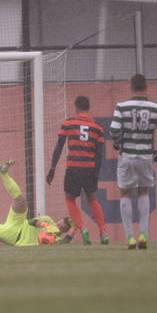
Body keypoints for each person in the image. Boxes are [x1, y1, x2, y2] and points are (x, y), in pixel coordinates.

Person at [109, 74, 157, 250]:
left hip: (127, 156)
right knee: (143, 192)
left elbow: (114, 129)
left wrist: (116, 142)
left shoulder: (122, 106)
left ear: (131, 88)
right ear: (146, 87)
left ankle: (130, 237)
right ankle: (143, 234)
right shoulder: (156, 108)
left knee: (125, 194)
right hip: (146, 157)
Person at [46, 95, 108, 245]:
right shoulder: (98, 128)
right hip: (89, 169)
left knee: (70, 198)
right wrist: (96, 174)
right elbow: (99, 155)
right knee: (92, 199)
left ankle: (82, 228)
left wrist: (52, 168)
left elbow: (59, 147)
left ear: (76, 108)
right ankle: (103, 232)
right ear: (89, 108)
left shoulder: (68, 123)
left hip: (73, 168)